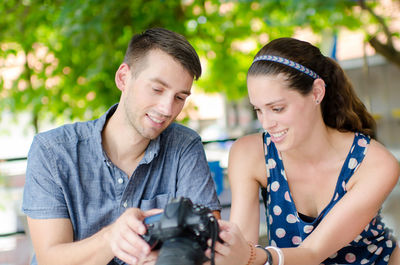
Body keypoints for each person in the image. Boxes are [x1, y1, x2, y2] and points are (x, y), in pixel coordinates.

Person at [22, 27, 221, 265]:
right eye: (157, 89)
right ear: (123, 78)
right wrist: (112, 238)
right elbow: (50, 260)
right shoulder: (52, 151)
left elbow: (207, 246)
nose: (167, 109)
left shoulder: (184, 146)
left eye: (179, 97)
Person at [206, 37, 400, 265]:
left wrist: (252, 255)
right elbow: (241, 246)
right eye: (258, 110)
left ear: (317, 92)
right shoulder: (250, 153)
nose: (266, 123)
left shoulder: (374, 163)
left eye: (277, 108)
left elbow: (312, 252)